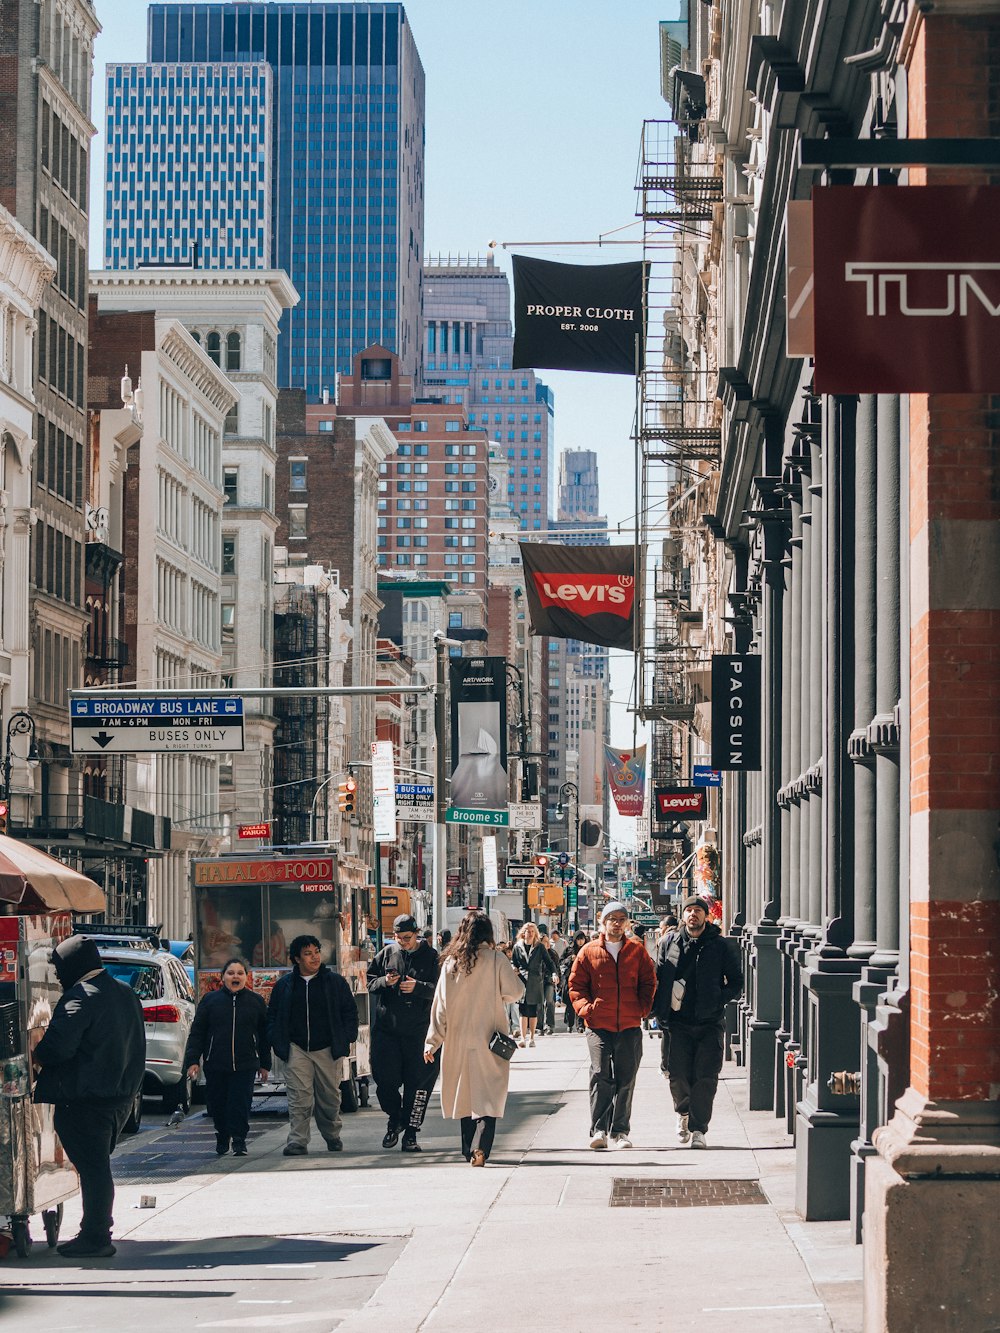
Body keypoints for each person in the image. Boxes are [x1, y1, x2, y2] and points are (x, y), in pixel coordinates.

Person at [32, 935, 145, 1258]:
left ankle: (96, 1235)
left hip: (84, 1100)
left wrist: (37, 1048)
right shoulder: (124, 993)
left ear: (72, 967)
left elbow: (55, 1050)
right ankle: (96, 1231)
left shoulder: (80, 998)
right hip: (119, 1098)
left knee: (94, 1170)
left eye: (59, 969)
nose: (57, 977)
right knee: (98, 1167)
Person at [423, 912, 523, 1165]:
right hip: (489, 1037)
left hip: (457, 1038)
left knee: (464, 1094)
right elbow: (514, 993)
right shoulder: (496, 959)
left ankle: (468, 1149)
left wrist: (432, 1042)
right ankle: (481, 1148)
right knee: (488, 1094)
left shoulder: (450, 964)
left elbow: (440, 1007)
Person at [654, 895, 743, 1149]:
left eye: (698, 911)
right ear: (683, 916)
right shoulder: (669, 942)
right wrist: (660, 1011)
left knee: (706, 1077)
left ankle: (698, 1129)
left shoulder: (721, 946)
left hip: (710, 1022)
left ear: (707, 916)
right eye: (689, 911)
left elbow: (736, 982)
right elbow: (659, 979)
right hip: (678, 1023)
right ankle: (683, 1113)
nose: (693, 915)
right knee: (678, 1076)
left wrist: (718, 1000)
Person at [569, 901, 657, 1151]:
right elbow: (576, 986)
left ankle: (620, 1131)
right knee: (600, 1074)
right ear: (603, 922)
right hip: (598, 1025)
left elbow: (649, 982)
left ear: (627, 923)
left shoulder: (637, 952)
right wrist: (587, 1010)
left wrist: (642, 1009)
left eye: (621, 919)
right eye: (612, 919)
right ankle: (598, 1129)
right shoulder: (587, 952)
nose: (617, 923)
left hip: (629, 1024)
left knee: (626, 1078)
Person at [267, 935, 358, 1156]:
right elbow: (273, 1016)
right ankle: (297, 1141)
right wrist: (279, 1043)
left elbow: (350, 1012)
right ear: (297, 959)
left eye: (316, 951)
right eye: (308, 954)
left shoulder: (334, 982)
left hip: (327, 1048)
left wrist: (346, 1038)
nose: (314, 957)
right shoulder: (285, 985)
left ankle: (332, 1135)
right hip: (296, 1048)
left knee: (329, 1098)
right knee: (300, 1097)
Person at [367, 914, 440, 1153]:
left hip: (420, 1033)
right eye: (397, 938)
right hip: (388, 1030)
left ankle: (411, 1133)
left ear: (417, 933)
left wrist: (418, 988)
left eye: (407, 938)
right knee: (384, 1081)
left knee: (418, 1087)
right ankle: (396, 1116)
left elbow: (442, 991)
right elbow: (369, 982)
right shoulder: (388, 953)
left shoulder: (432, 957)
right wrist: (385, 983)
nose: (403, 942)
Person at [184, 957, 270, 1157]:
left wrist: (264, 1064)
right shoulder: (210, 1001)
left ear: (246, 977)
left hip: (245, 1064)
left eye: (240, 973)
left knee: (240, 1103)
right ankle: (222, 1135)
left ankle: (239, 1141)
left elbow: (265, 1036)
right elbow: (197, 1032)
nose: (235, 977)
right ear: (223, 977)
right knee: (218, 1104)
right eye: (231, 973)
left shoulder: (256, 1002)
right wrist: (193, 1060)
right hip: (216, 1064)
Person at [511, 922, 557, 1047]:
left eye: (532, 931)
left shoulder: (539, 946)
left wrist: (554, 974)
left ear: (535, 933)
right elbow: (513, 961)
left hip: (535, 981)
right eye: (528, 931)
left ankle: (531, 1038)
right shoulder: (517, 947)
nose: (530, 933)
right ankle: (523, 1038)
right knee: (522, 1010)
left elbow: (549, 962)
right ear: (523, 933)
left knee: (532, 1010)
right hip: (521, 980)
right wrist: (514, 968)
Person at [561, 931, 589, 1032]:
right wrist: (569, 959)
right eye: (578, 939)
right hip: (571, 979)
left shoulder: (588, 949)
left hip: (584, 979)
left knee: (582, 1002)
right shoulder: (569, 950)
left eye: (582, 939)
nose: (580, 941)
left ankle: (580, 1025)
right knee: (570, 1003)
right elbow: (561, 961)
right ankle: (570, 1024)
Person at [539, 931, 559, 1033]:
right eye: (545, 942)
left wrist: (556, 977)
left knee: (550, 1001)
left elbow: (556, 967)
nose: (548, 944)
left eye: (548, 941)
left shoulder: (552, 953)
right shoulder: (536, 953)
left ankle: (550, 1025)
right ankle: (539, 1026)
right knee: (539, 1002)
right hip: (538, 980)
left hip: (549, 981)